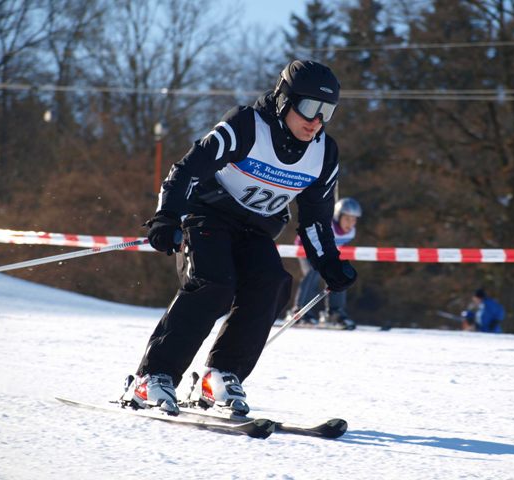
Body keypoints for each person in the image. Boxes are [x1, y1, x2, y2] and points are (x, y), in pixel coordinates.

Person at [131, 60, 357, 416]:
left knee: (272, 283)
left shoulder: (323, 153)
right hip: (208, 214)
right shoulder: (247, 126)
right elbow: (187, 170)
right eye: (309, 106)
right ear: (284, 100)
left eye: (326, 111)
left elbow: (315, 218)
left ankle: (221, 375)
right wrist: (167, 216)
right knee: (214, 283)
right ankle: (153, 377)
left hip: (255, 229)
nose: (316, 120)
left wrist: (328, 262)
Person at [288, 197, 362, 329]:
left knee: (339, 275)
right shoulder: (328, 225)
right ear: (338, 216)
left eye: (354, 219)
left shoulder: (351, 232)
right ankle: (299, 311)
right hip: (307, 249)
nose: (350, 223)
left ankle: (334, 312)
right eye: (347, 218)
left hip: (325, 253)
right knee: (313, 273)